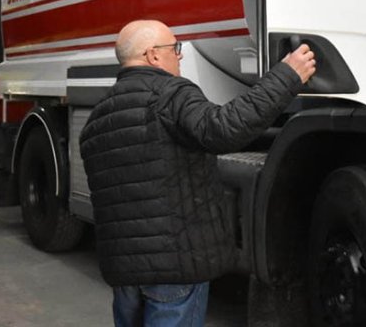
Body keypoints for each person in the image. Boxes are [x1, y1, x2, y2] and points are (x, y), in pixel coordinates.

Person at [79, 20, 316, 327]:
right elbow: (224, 128)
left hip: (125, 275)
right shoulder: (169, 94)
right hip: (175, 268)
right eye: (174, 48)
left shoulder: (98, 118)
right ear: (152, 55)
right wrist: (287, 76)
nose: (178, 56)